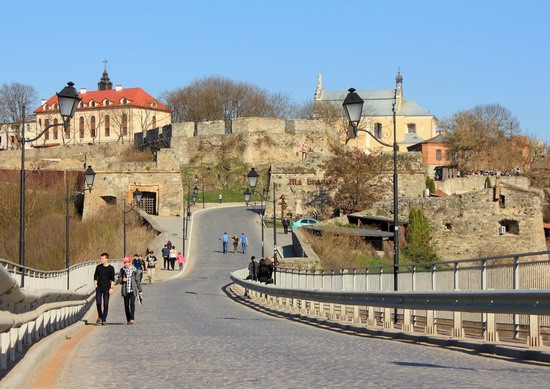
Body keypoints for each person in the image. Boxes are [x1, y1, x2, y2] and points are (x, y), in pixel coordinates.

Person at [119, 256, 143, 325]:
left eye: (126, 262)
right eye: (124, 262)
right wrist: (122, 280)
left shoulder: (135, 270)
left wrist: (140, 290)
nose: (124, 264)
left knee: (132, 304)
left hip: (133, 290)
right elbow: (118, 279)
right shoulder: (122, 270)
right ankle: (128, 319)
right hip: (125, 290)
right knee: (126, 305)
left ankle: (132, 319)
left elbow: (137, 281)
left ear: (129, 262)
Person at [93, 252, 115, 325]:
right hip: (99, 288)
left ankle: (104, 319)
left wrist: (111, 288)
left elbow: (112, 279)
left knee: (106, 304)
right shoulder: (98, 267)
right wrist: (95, 285)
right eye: (101, 258)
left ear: (107, 259)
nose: (101, 260)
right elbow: (95, 277)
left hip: (107, 288)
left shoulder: (111, 268)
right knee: (98, 303)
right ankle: (100, 316)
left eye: (102, 259)